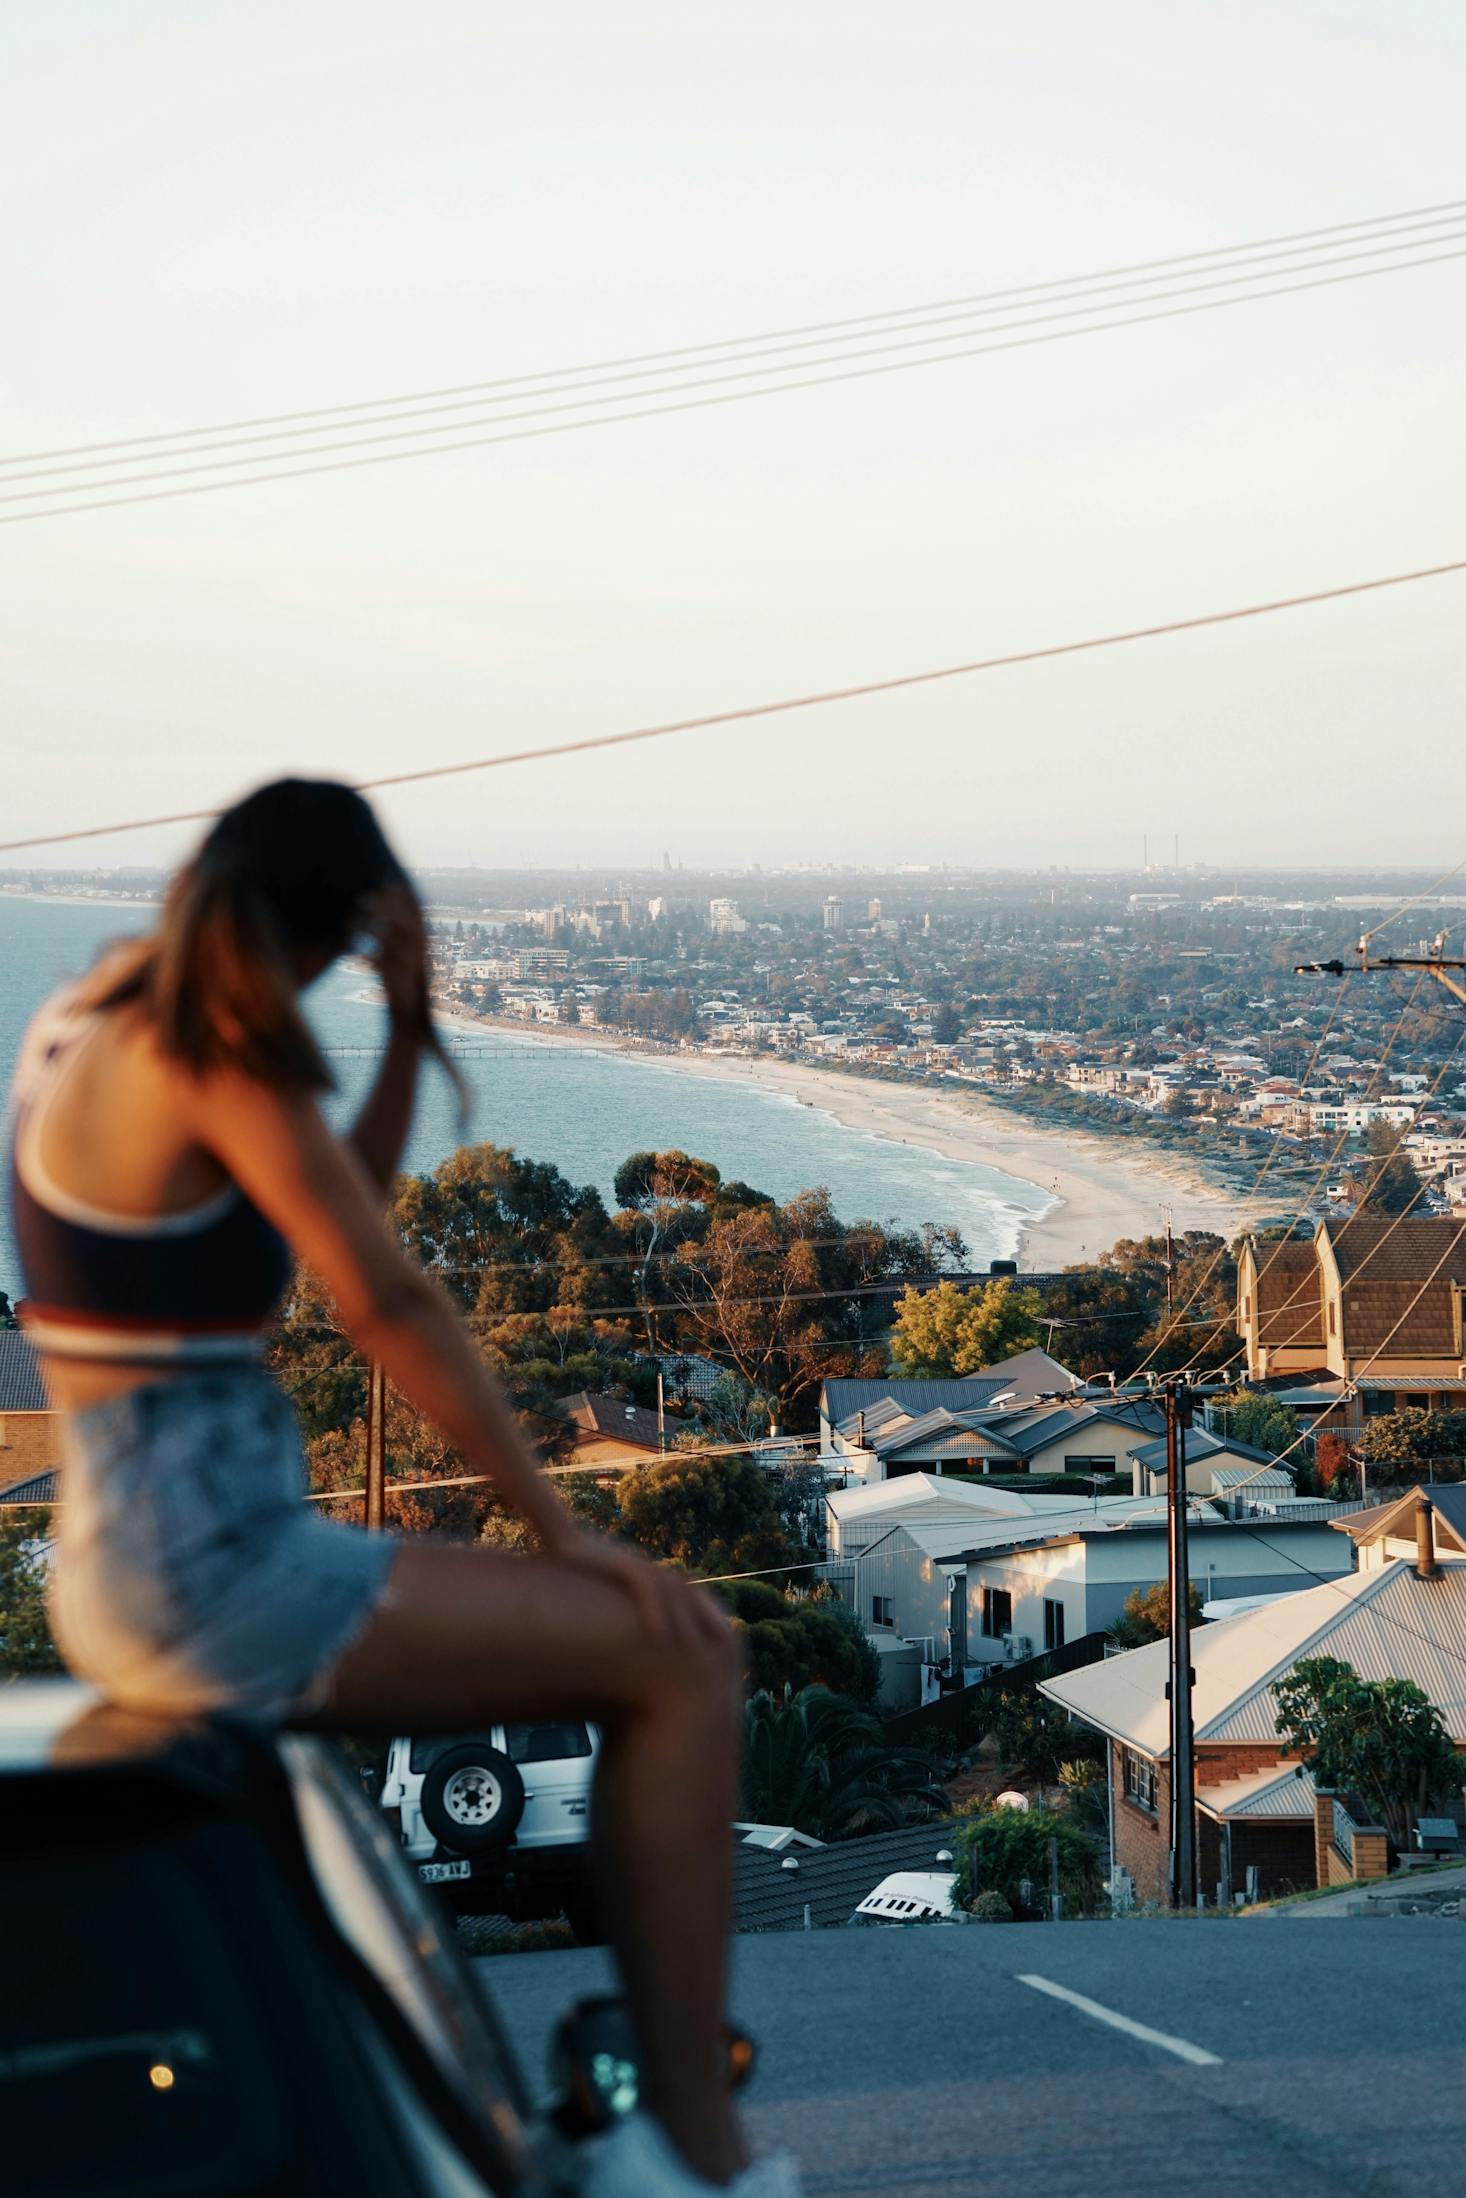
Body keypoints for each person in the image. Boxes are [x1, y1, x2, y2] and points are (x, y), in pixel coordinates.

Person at [7, 779, 798, 2198]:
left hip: (131, 1565)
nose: (311, 997)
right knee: (681, 1651)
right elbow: (387, 1296)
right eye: (324, 971)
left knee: (665, 1648)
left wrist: (411, 1028)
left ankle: (669, 2132)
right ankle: (687, 2150)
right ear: (320, 935)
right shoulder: (207, 1054)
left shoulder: (89, 1017)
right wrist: (566, 1537)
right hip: (216, 1572)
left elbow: (332, 1202)